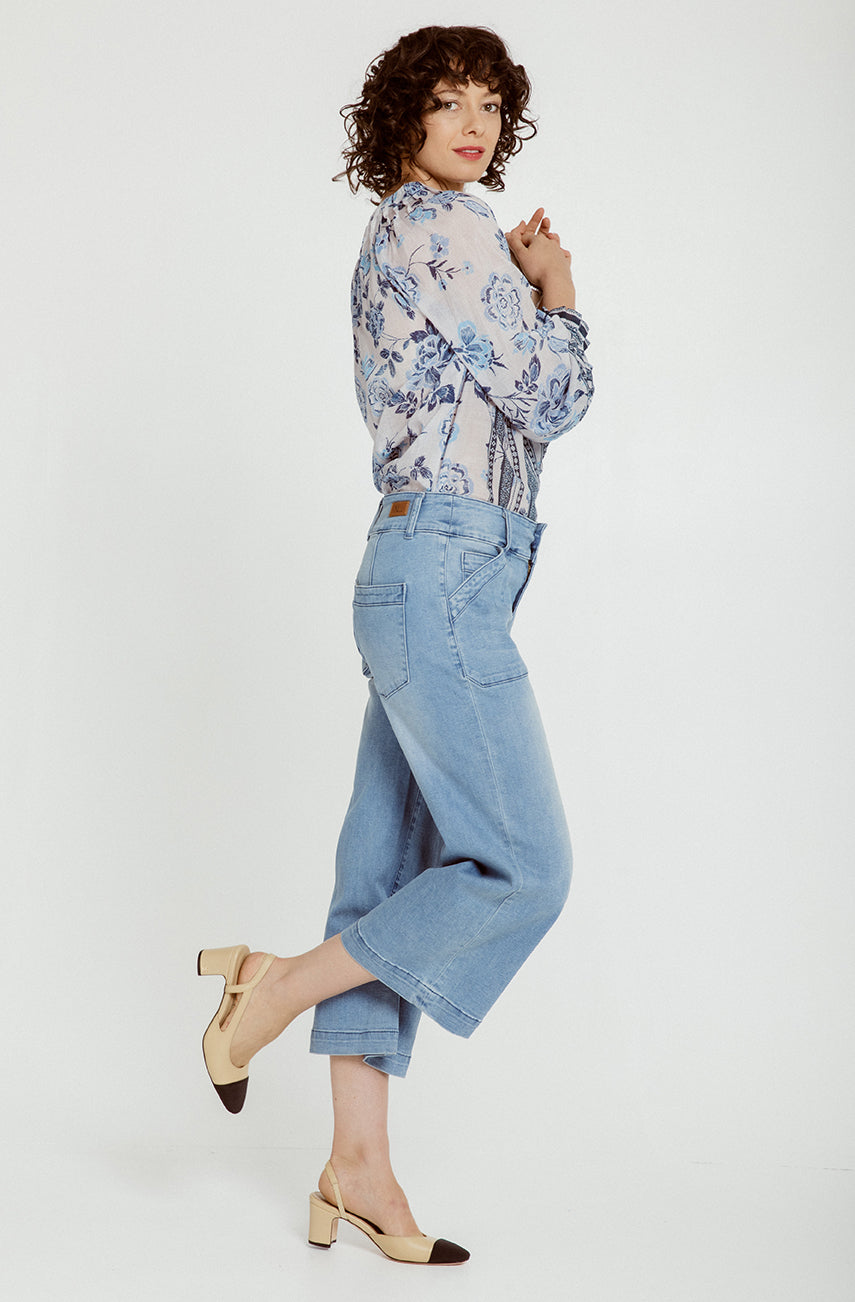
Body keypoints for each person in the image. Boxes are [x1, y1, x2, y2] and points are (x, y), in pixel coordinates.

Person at [198, 24, 593, 1266]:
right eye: (448, 101)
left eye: (490, 104)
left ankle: (357, 1168)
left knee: (384, 881)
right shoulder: (446, 230)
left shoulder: (414, 232)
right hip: (445, 574)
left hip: (427, 569)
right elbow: (552, 395)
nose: (474, 124)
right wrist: (559, 291)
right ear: (403, 119)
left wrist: (520, 285)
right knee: (525, 869)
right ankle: (270, 990)